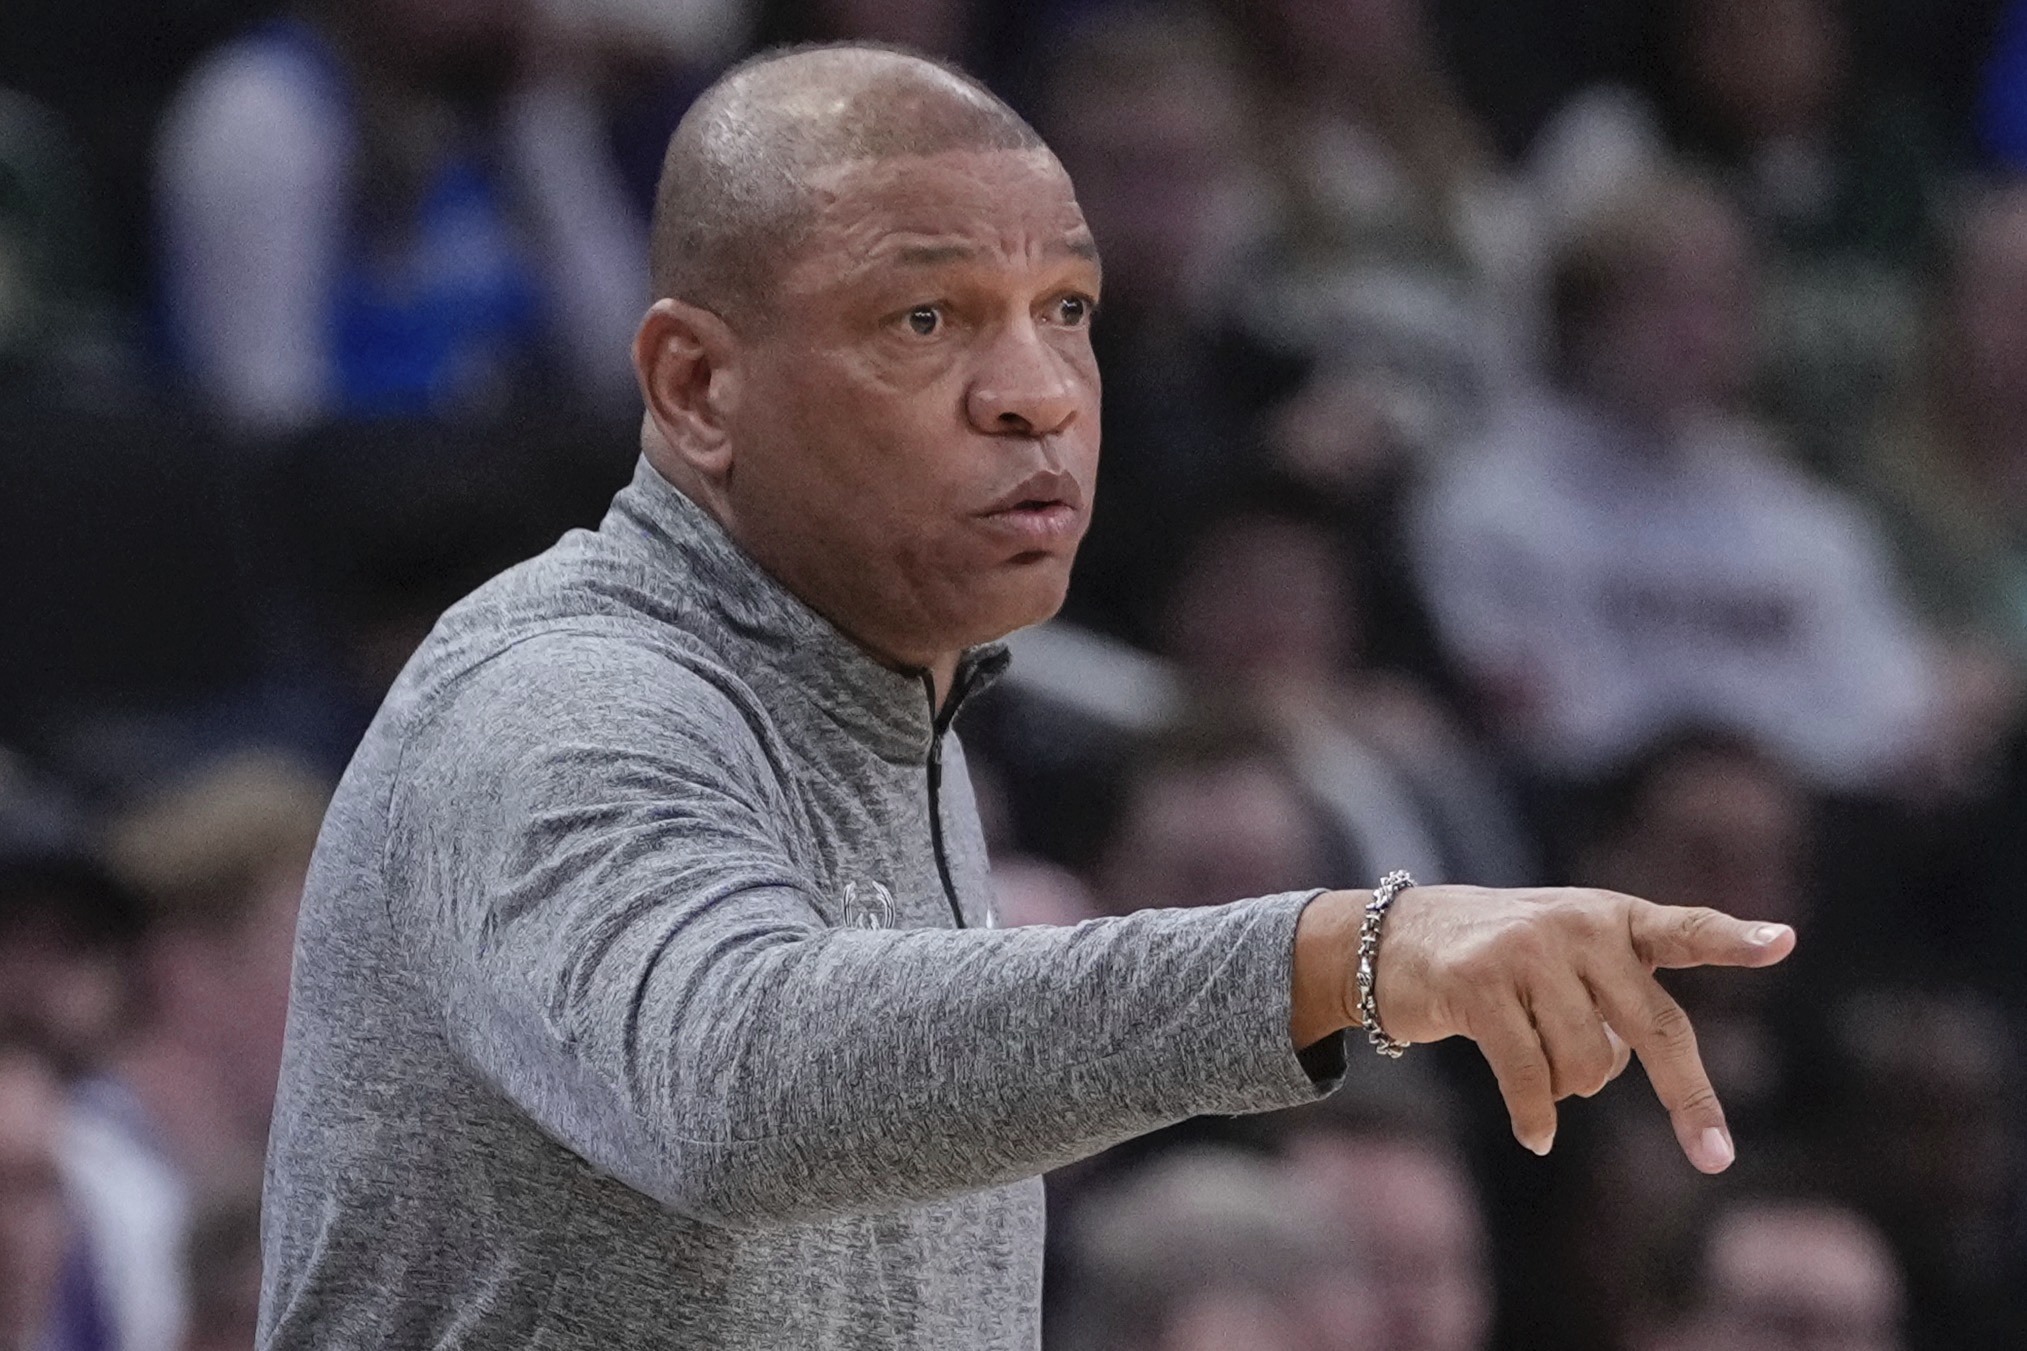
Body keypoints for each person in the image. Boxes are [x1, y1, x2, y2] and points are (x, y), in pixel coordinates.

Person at [257, 45, 1796, 1349]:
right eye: (924, 320)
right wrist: (1341, 950)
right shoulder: (564, 696)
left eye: (1063, 309)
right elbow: (736, 1086)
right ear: (697, 387)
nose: (1037, 392)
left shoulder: (889, 712)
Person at [1412, 173, 1939, 792]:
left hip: (1804, 814)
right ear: (1582, 318)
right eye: (1662, 302)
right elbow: (1544, 721)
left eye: (1720, 303)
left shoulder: (1797, 514)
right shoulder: (1491, 501)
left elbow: (1889, 717)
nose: (1695, 334)